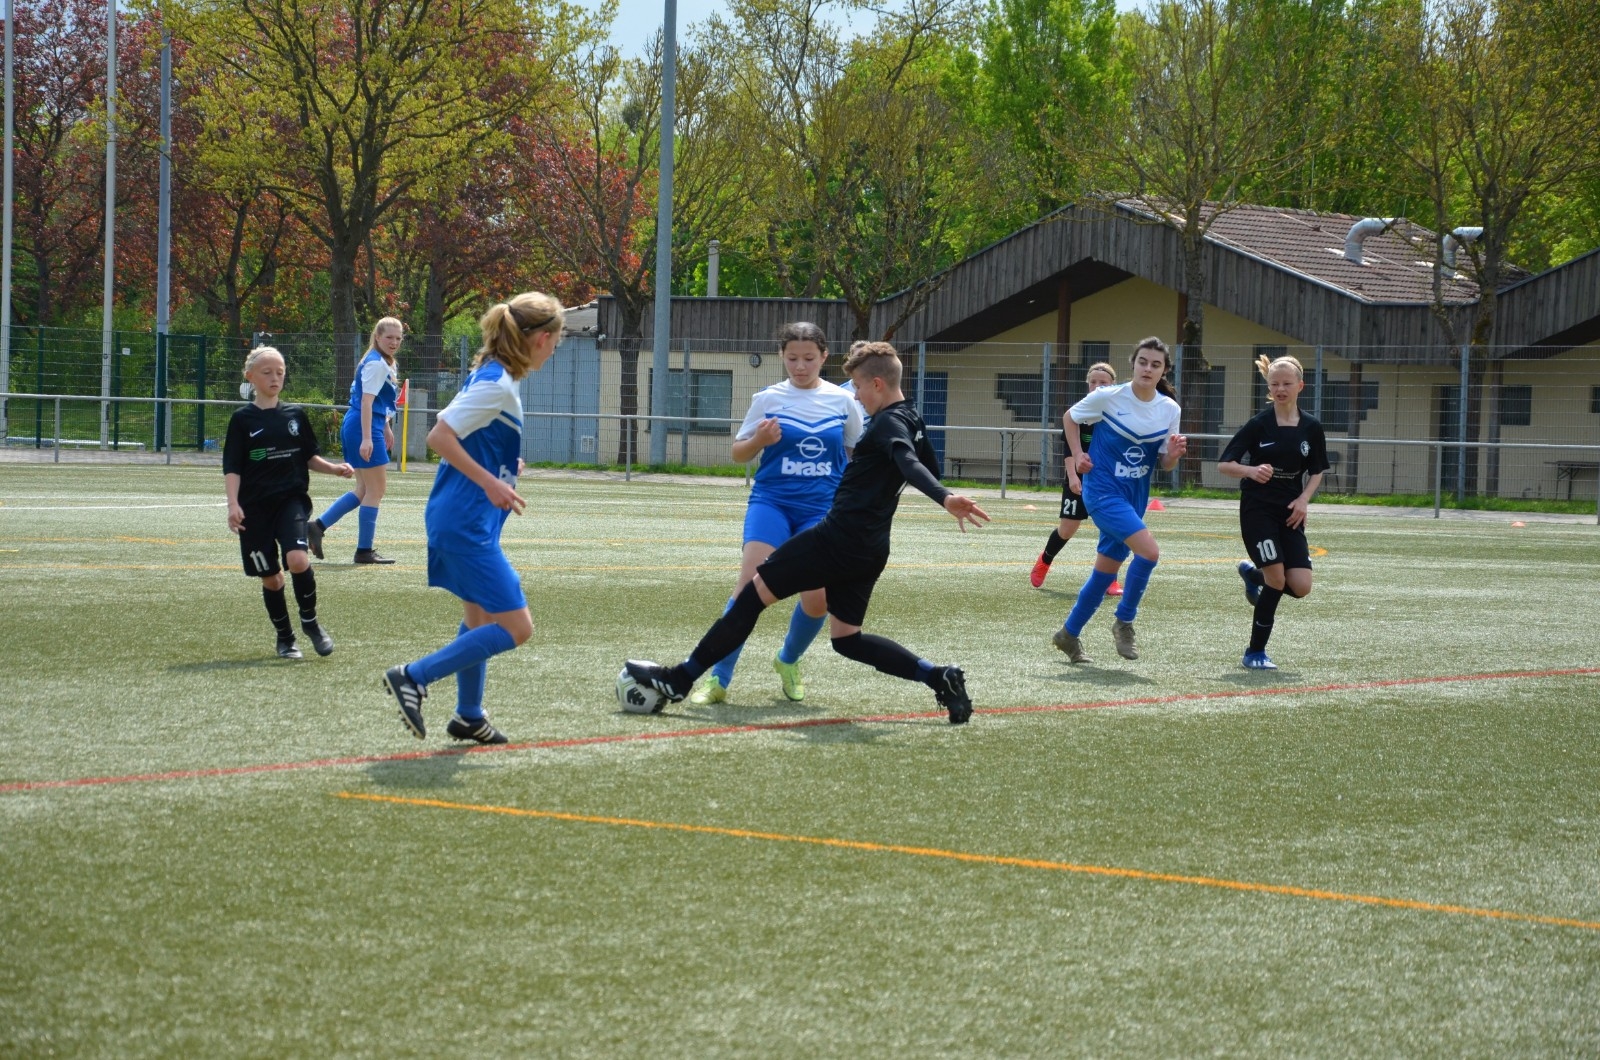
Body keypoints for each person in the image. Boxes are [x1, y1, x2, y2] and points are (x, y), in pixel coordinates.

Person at [624, 341, 990, 724]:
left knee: (750, 598)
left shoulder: (887, 423)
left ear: (878, 384)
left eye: (858, 388)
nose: (856, 397)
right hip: (871, 548)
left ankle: (679, 680)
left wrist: (944, 498)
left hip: (835, 540)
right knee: (847, 640)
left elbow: (909, 462)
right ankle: (938, 676)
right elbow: (924, 463)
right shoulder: (912, 417)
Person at [380, 293, 564, 744]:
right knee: (517, 627)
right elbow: (439, 436)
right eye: (556, 342)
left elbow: (471, 438)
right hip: (464, 523)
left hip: (462, 518)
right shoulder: (496, 382)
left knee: (479, 619)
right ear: (542, 339)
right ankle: (413, 676)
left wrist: (503, 467)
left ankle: (468, 716)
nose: (554, 351)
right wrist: (490, 482)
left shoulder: (494, 375)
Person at [690, 322, 864, 705]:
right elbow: (738, 453)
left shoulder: (843, 401)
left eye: (809, 358)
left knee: (818, 600)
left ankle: (787, 660)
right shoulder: (768, 399)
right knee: (747, 588)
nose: (800, 366)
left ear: (824, 357)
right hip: (772, 503)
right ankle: (719, 678)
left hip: (821, 511)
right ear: (781, 356)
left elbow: (855, 453)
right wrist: (760, 439)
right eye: (792, 358)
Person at [1052, 337, 1186, 664]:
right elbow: (1070, 417)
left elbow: (1165, 463)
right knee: (1149, 552)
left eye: (1155, 364)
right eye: (1143, 362)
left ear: (1164, 370)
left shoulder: (1169, 409)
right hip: (1102, 491)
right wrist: (1078, 454)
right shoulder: (1109, 396)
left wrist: (1173, 455)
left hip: (1135, 496)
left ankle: (1068, 634)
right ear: (1133, 364)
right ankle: (1124, 622)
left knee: (1104, 573)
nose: (1148, 368)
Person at [223, 346, 354, 658]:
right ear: (250, 377)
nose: (275, 378)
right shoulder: (242, 420)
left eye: (280, 372)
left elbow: (309, 457)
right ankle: (285, 637)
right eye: (267, 372)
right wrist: (233, 504)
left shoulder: (295, 415)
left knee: (297, 559)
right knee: (271, 577)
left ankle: (311, 622)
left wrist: (334, 468)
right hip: (254, 509)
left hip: (291, 501)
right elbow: (233, 467)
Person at [1217, 353, 1329, 670]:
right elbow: (1225, 464)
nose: (1280, 389)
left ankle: (1254, 575)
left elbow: (1317, 470)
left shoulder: (1311, 427)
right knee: (1277, 580)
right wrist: (1251, 471)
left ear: (1300, 386)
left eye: (1286, 384)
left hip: (1291, 512)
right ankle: (1255, 652)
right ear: (1268, 387)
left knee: (1301, 587)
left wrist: (1304, 499)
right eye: (1274, 384)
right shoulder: (1259, 425)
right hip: (1258, 510)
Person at [308, 316, 403, 564]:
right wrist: (368, 438)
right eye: (389, 337)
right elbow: (366, 402)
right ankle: (363, 551)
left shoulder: (379, 360)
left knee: (363, 490)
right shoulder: (377, 363)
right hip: (363, 425)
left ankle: (317, 526)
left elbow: (375, 401)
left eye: (398, 338)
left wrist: (386, 426)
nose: (394, 342)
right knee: (376, 491)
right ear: (377, 337)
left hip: (362, 424)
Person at [1030, 361, 1122, 593]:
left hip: (1109, 481)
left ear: (1113, 384)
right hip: (1080, 478)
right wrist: (1073, 477)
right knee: (1067, 529)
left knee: (1112, 529)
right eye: (1093, 382)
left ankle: (1110, 578)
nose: (1097, 386)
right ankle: (1045, 560)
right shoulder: (1080, 412)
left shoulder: (1120, 414)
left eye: (1103, 382)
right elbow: (1069, 449)